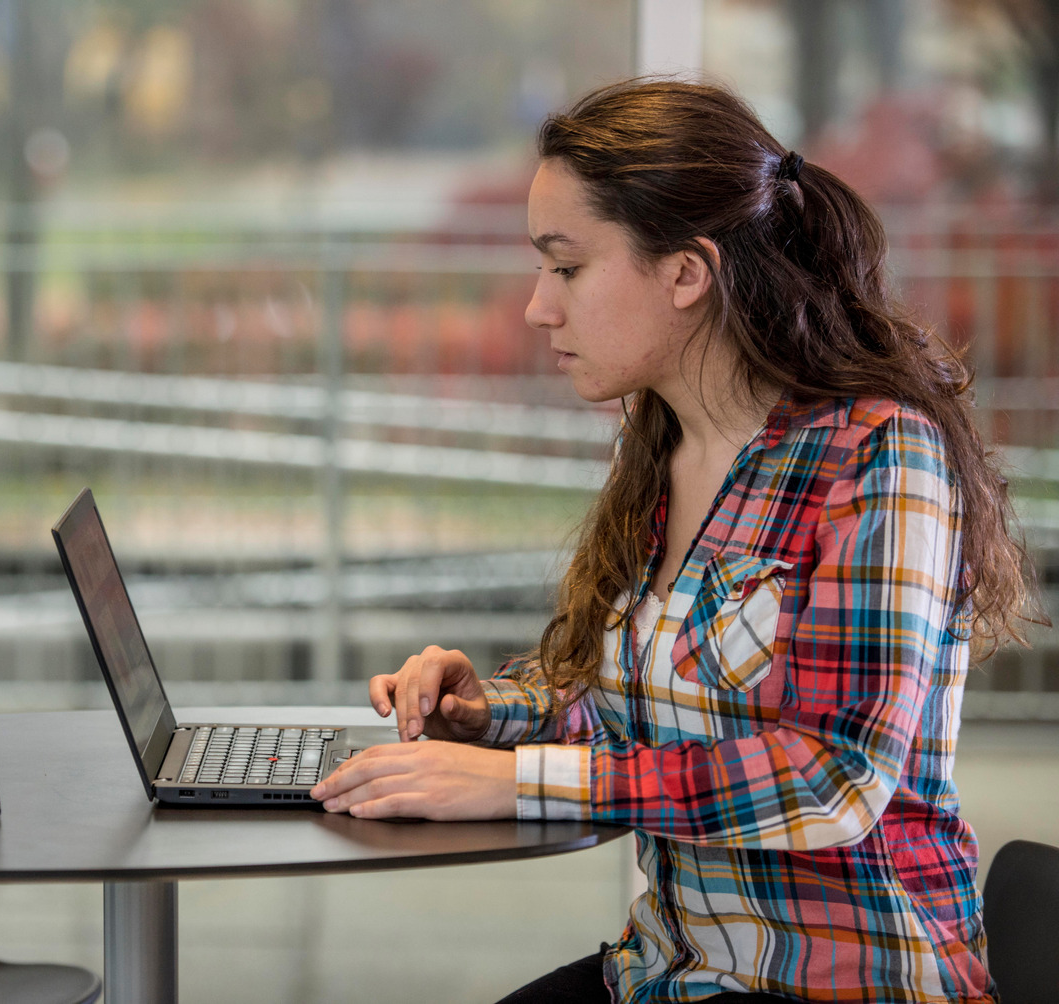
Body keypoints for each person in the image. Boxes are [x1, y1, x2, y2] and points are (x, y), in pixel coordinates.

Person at [310, 78, 1044, 1004]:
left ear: (687, 273)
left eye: (566, 267)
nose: (539, 307)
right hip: (670, 971)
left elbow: (835, 779)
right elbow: (641, 711)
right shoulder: (664, 444)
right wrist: (488, 716)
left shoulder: (879, 457)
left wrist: (519, 784)